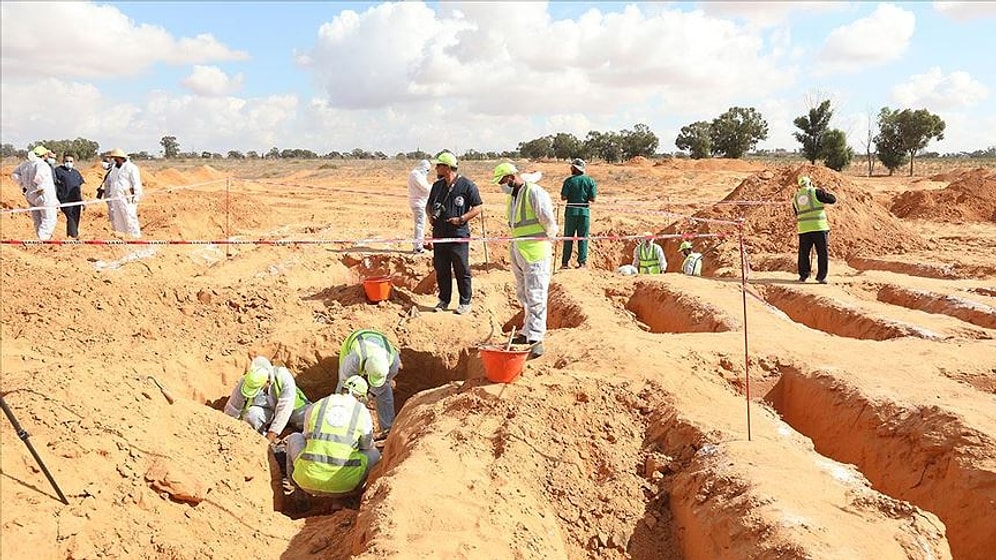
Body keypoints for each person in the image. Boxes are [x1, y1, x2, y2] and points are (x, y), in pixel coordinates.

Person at [492, 162, 558, 359]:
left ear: (511, 177)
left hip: (535, 250)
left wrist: (549, 237)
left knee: (536, 293)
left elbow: (547, 219)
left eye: (503, 181)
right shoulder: (513, 196)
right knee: (524, 294)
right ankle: (527, 331)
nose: (501, 186)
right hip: (519, 250)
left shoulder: (534, 192)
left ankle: (537, 338)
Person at [285, 375, 380, 497]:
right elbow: (366, 445)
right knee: (375, 454)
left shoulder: (319, 404)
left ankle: (298, 491)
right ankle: (353, 497)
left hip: (306, 481)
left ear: (342, 389)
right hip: (344, 487)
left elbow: (306, 436)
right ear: (361, 397)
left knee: (295, 437)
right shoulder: (361, 410)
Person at [426, 151, 483, 315]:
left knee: (461, 268)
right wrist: (430, 216)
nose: (436, 168)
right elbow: (429, 205)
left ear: (447, 167)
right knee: (441, 268)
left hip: (458, 233)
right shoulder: (437, 186)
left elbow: (478, 207)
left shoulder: (467, 185)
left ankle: (465, 301)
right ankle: (444, 299)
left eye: (439, 165)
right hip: (440, 233)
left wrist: (461, 219)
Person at [224, 356, 310, 442]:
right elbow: (232, 408)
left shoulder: (283, 377)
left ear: (268, 381)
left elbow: (284, 410)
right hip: (268, 411)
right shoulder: (248, 381)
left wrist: (271, 437)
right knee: (251, 415)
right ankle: (257, 438)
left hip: (293, 408)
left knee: (308, 417)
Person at [337, 329, 401, 438]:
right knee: (343, 391)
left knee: (384, 392)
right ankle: (340, 423)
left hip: (375, 344)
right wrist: (351, 401)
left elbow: (384, 382)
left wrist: (370, 396)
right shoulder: (353, 361)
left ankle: (387, 429)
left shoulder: (393, 363)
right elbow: (345, 383)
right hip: (354, 342)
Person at [793, 175, 837, 284]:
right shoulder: (815, 192)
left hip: (804, 229)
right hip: (819, 227)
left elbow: (796, 212)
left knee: (804, 253)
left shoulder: (795, 197)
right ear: (810, 183)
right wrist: (824, 191)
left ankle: (803, 275)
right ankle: (821, 277)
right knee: (822, 253)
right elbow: (832, 199)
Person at [10, 146, 59, 240]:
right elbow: (38, 177)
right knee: (49, 218)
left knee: (37, 218)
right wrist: (39, 186)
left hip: (30, 195)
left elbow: (14, 175)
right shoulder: (42, 164)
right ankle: (43, 239)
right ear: (44, 155)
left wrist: (23, 185)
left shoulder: (24, 164)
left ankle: (39, 237)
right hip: (43, 194)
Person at [560, 158, 597, 269]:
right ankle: (582, 263)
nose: (570, 168)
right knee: (583, 238)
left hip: (571, 212)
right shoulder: (590, 181)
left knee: (568, 237)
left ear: (575, 168)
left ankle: (565, 263)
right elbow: (592, 198)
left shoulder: (568, 181)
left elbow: (563, 197)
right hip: (584, 212)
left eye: (572, 167)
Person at [104, 147, 143, 238]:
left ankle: (134, 237)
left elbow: (136, 183)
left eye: (115, 158)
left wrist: (136, 197)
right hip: (115, 196)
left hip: (127, 197)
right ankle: (122, 236)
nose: (114, 160)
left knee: (129, 216)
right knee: (118, 218)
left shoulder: (131, 167)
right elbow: (110, 181)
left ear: (120, 157)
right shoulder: (114, 168)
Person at [53, 153, 86, 239]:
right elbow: (54, 185)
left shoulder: (76, 173)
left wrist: (83, 200)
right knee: (70, 216)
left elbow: (80, 187)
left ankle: (69, 235)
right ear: (63, 161)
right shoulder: (58, 171)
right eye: (67, 161)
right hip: (65, 200)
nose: (69, 163)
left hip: (76, 200)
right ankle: (74, 236)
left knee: (76, 218)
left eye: (71, 161)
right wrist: (55, 200)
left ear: (74, 162)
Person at [407, 159, 432, 254]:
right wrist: (434, 186)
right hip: (419, 203)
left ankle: (419, 244)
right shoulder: (416, 175)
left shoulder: (416, 174)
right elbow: (426, 189)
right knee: (420, 225)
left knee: (420, 224)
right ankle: (418, 247)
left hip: (419, 202)